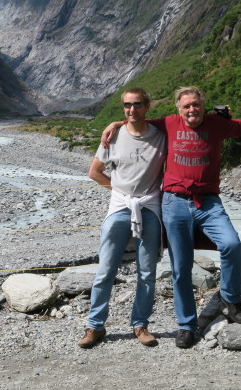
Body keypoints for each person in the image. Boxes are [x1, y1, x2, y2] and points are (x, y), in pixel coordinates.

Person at [102, 86, 241, 349]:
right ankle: (186, 325)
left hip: (208, 201)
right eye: (186, 106)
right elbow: (136, 118)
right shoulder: (168, 123)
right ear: (178, 108)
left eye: (195, 105)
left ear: (203, 106)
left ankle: (230, 298)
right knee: (180, 267)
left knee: (231, 244)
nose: (191, 110)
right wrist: (115, 123)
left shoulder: (217, 124)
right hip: (174, 202)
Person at [78, 88, 166, 349]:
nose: (131, 110)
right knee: (105, 270)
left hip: (149, 207)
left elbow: (190, 119)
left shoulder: (161, 135)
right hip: (119, 208)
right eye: (127, 106)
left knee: (147, 272)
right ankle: (95, 326)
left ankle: (140, 325)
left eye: (137, 105)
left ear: (147, 106)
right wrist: (119, 192)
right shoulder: (113, 137)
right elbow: (94, 172)